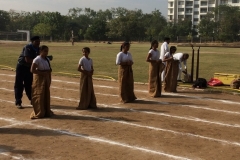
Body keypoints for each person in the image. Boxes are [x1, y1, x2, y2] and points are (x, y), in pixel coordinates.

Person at [14, 36, 40, 109]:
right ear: (32, 41)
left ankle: (32, 100)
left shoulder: (38, 48)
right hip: (22, 66)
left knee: (29, 84)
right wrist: (38, 60)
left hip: (29, 67)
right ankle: (18, 101)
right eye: (36, 41)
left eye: (39, 41)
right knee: (19, 84)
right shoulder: (28, 47)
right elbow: (27, 60)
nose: (38, 43)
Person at [30, 45, 53, 119]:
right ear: (40, 51)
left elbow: (49, 68)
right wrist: (42, 73)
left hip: (46, 77)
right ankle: (39, 111)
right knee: (39, 95)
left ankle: (46, 111)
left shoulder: (47, 59)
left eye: (47, 51)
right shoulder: (37, 59)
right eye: (45, 51)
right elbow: (32, 70)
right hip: (39, 79)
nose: (46, 53)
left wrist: (49, 72)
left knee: (46, 94)